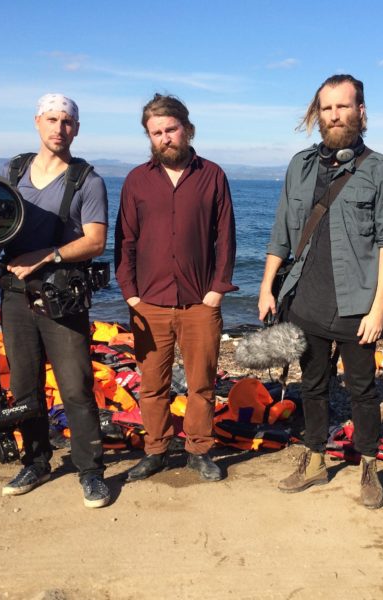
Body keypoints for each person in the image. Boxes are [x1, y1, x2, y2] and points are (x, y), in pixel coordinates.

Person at [258, 74, 383, 509]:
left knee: (362, 391)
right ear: (317, 114)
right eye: (327, 108)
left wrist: (379, 309)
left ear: (361, 111)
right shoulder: (299, 166)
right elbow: (282, 231)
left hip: (357, 306)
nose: (335, 114)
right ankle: (315, 459)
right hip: (305, 300)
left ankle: (368, 467)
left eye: (343, 106)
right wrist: (268, 286)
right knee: (314, 385)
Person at [0, 93, 110, 508]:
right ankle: (36, 460)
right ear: (38, 122)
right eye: (52, 120)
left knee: (75, 386)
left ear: (77, 128)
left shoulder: (87, 180)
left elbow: (95, 241)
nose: (59, 128)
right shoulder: (14, 170)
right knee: (24, 386)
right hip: (15, 296)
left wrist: (48, 255)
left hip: (62, 298)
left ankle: (90, 470)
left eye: (68, 122)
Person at [114, 94, 237, 482]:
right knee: (152, 385)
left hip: (200, 302)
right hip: (148, 302)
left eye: (171, 129)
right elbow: (125, 241)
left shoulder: (212, 174)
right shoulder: (137, 179)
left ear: (187, 129)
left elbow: (225, 237)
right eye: (156, 133)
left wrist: (217, 290)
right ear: (149, 138)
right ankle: (156, 450)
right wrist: (130, 293)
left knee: (201, 383)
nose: (165, 138)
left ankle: (199, 450)